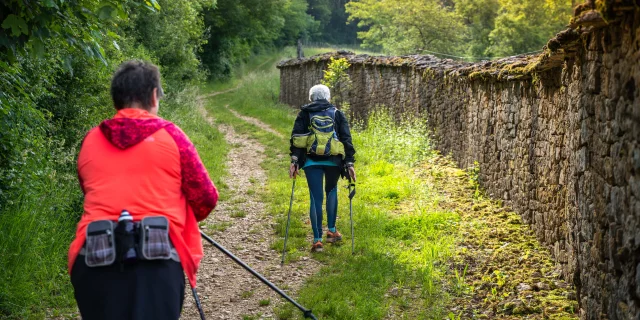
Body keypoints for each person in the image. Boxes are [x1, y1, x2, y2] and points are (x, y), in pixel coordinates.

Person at [67, 60, 218, 319]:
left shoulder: (90, 140)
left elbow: (89, 188)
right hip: (156, 261)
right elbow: (205, 198)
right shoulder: (173, 136)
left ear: (116, 100)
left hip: (93, 257)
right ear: (153, 96)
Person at [289, 84, 356, 252]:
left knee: (315, 198)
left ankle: (317, 240)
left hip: (311, 162)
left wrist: (295, 161)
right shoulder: (337, 113)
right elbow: (346, 138)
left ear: (311, 98)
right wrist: (349, 163)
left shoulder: (305, 113)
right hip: (333, 161)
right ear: (328, 97)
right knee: (332, 192)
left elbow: (297, 138)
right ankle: (332, 231)